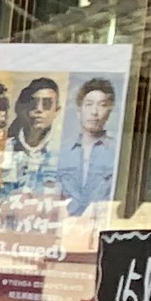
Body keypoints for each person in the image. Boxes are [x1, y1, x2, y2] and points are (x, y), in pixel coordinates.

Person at [52, 75, 122, 213]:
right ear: (79, 110)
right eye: (89, 104)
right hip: (66, 223)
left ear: (109, 111)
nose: (94, 112)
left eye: (102, 105)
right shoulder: (63, 151)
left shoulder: (117, 152)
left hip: (100, 222)